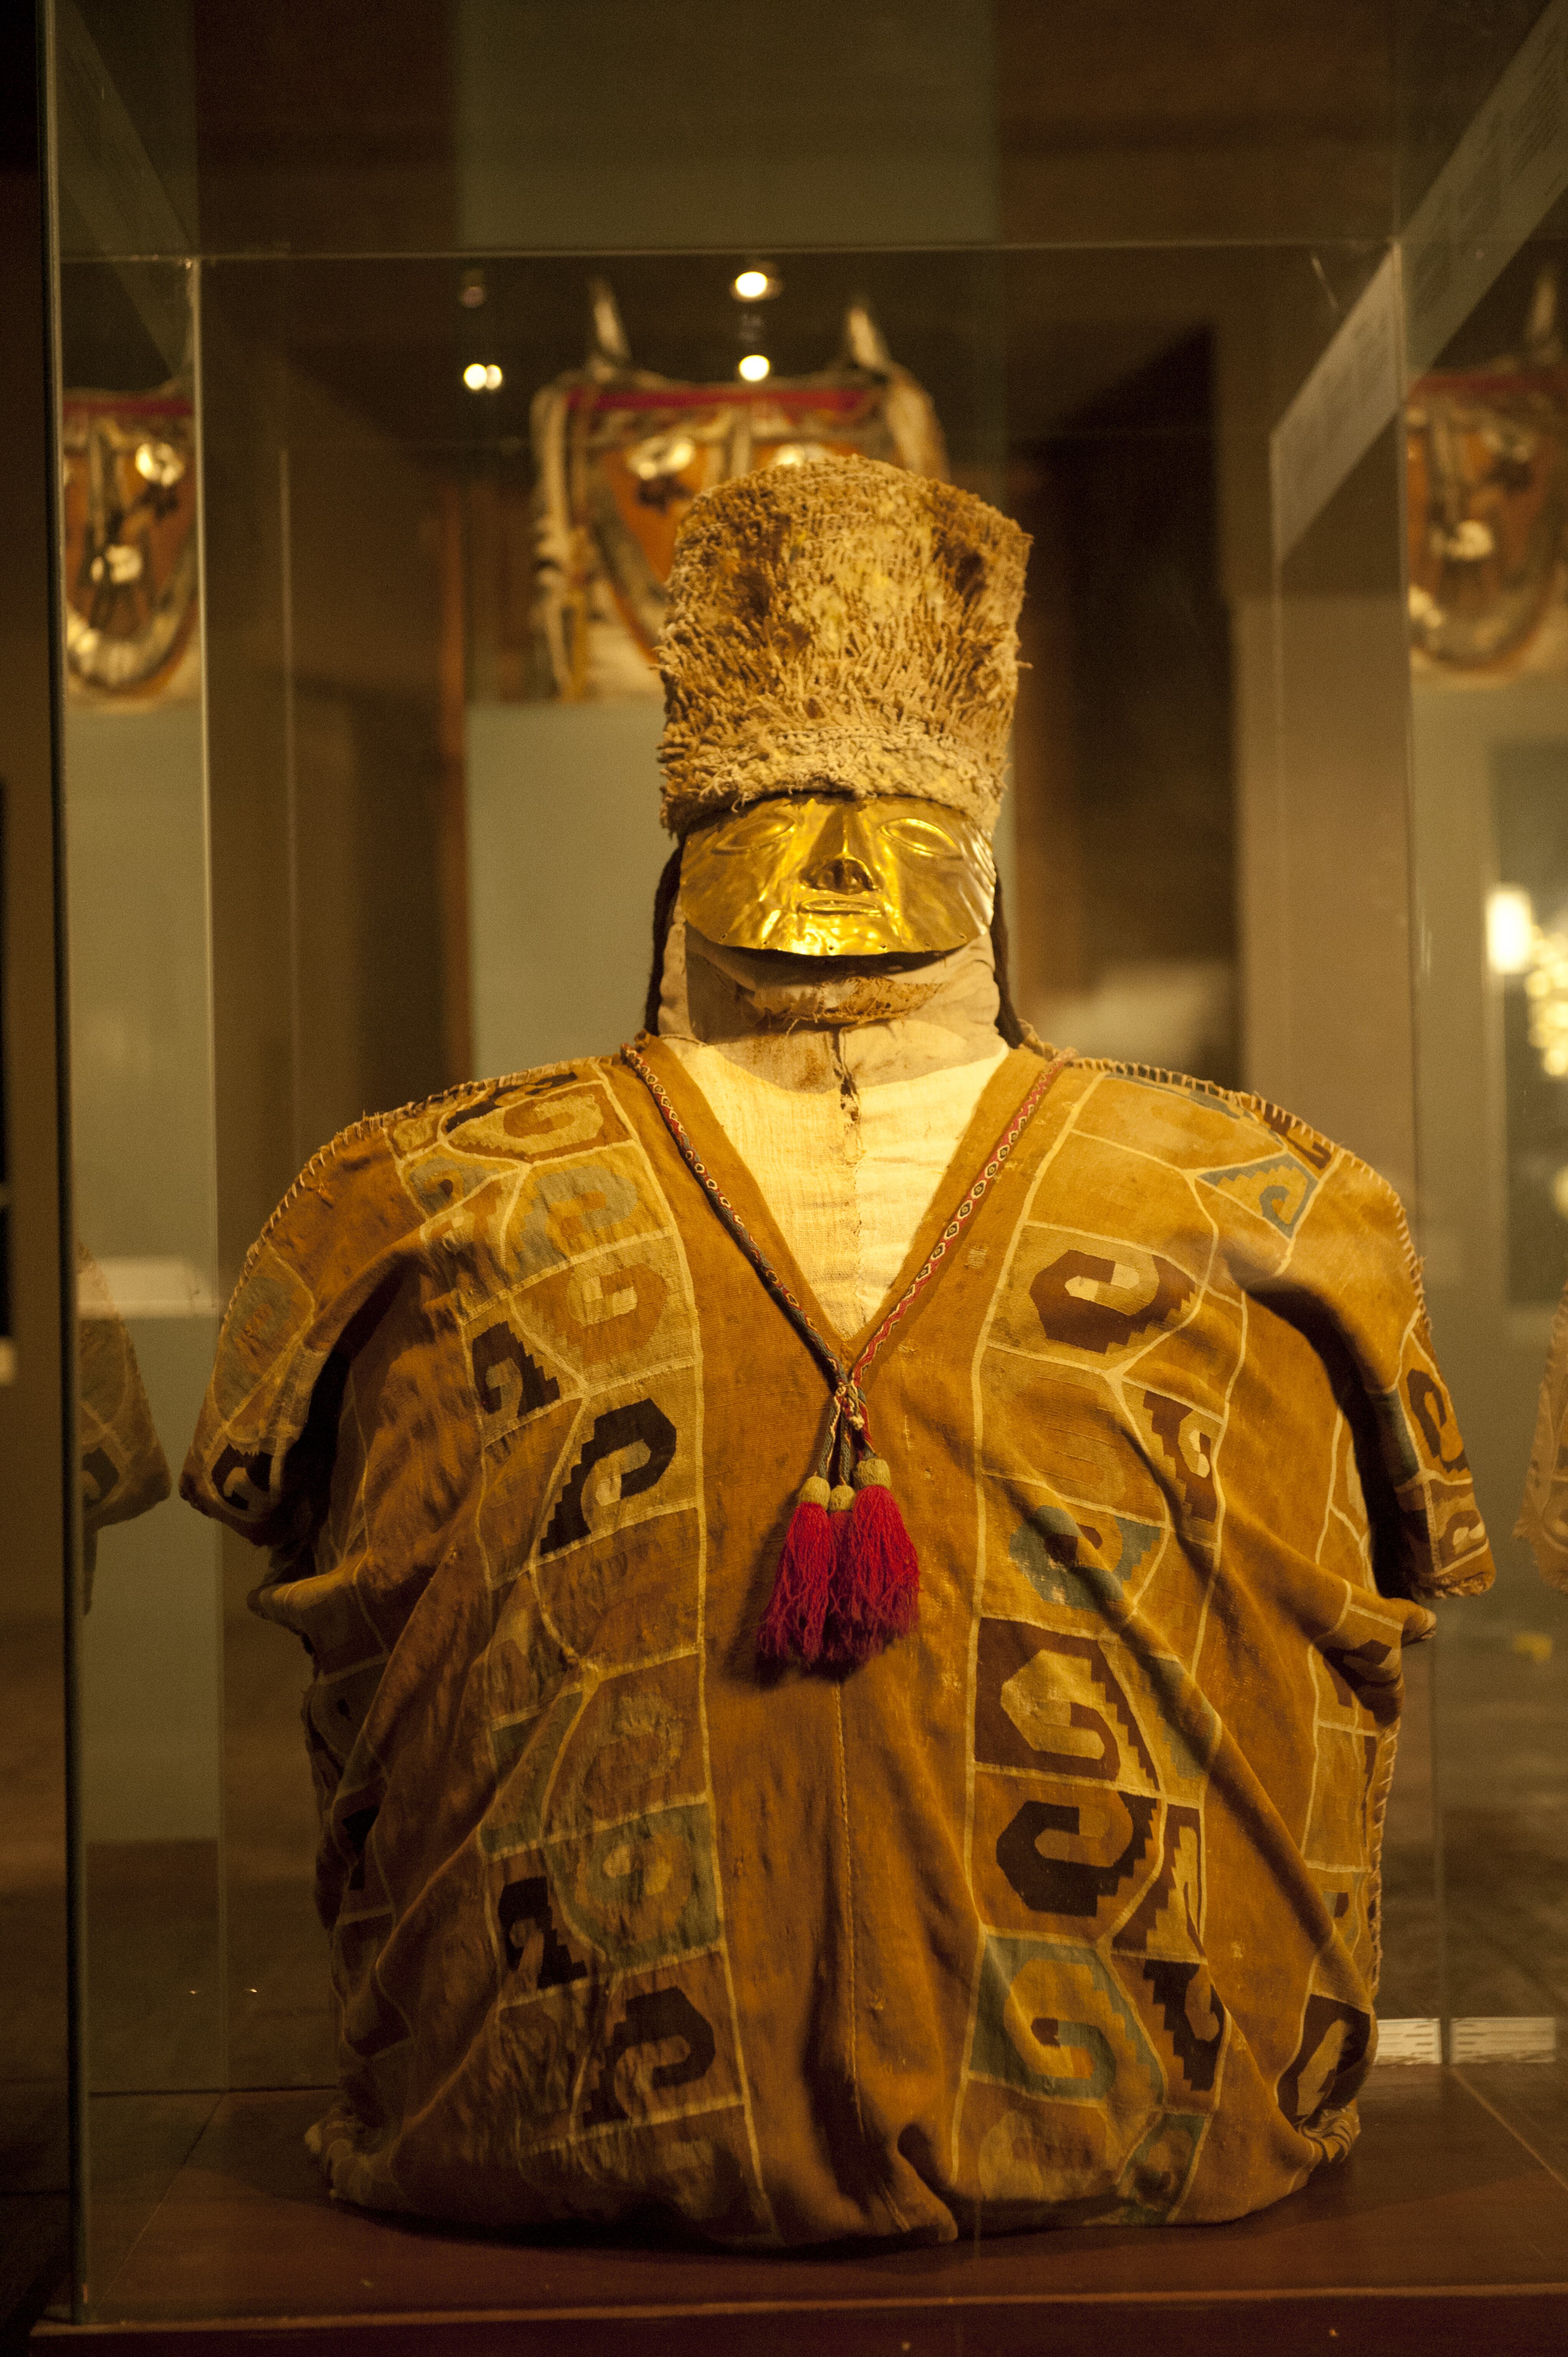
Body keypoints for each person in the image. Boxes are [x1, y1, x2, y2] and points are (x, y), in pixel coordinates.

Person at [182, 456, 1491, 2244]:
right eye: (782, 818)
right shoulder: (400, 1201)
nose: (836, 867)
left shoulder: (1280, 1208)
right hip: (523, 2150)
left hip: (1151, 2134)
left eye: (883, 821)